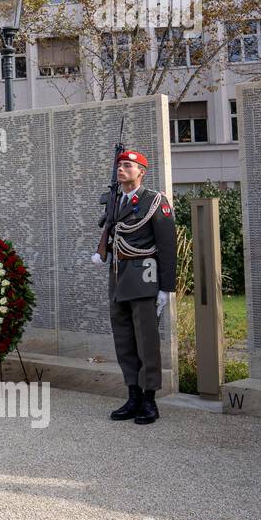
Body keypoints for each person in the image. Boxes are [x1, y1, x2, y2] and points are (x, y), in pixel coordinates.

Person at [93, 149, 176, 425]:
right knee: (124, 339)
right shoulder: (115, 201)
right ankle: (133, 395)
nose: (121, 169)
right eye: (119, 165)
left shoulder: (155, 201)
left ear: (141, 171)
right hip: (118, 275)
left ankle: (149, 399)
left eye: (128, 165)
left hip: (144, 278)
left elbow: (166, 247)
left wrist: (166, 288)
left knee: (146, 341)